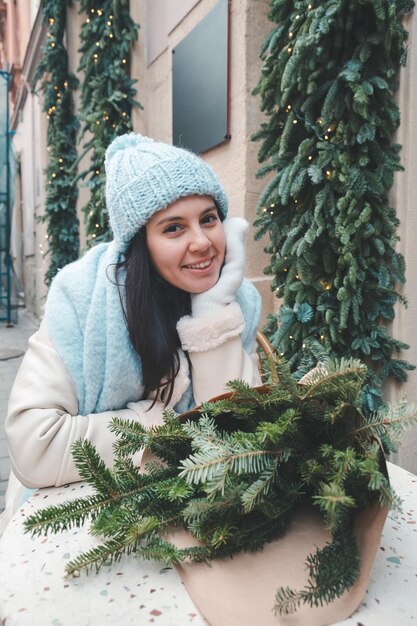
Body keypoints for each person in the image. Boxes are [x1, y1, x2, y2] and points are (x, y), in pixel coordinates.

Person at [0, 133, 262, 533]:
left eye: (208, 218)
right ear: (141, 243)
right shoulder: (81, 297)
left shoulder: (235, 301)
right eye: (174, 228)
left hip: (188, 511)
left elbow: (242, 437)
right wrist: (161, 426)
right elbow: (34, 446)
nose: (202, 242)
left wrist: (213, 316)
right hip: (77, 513)